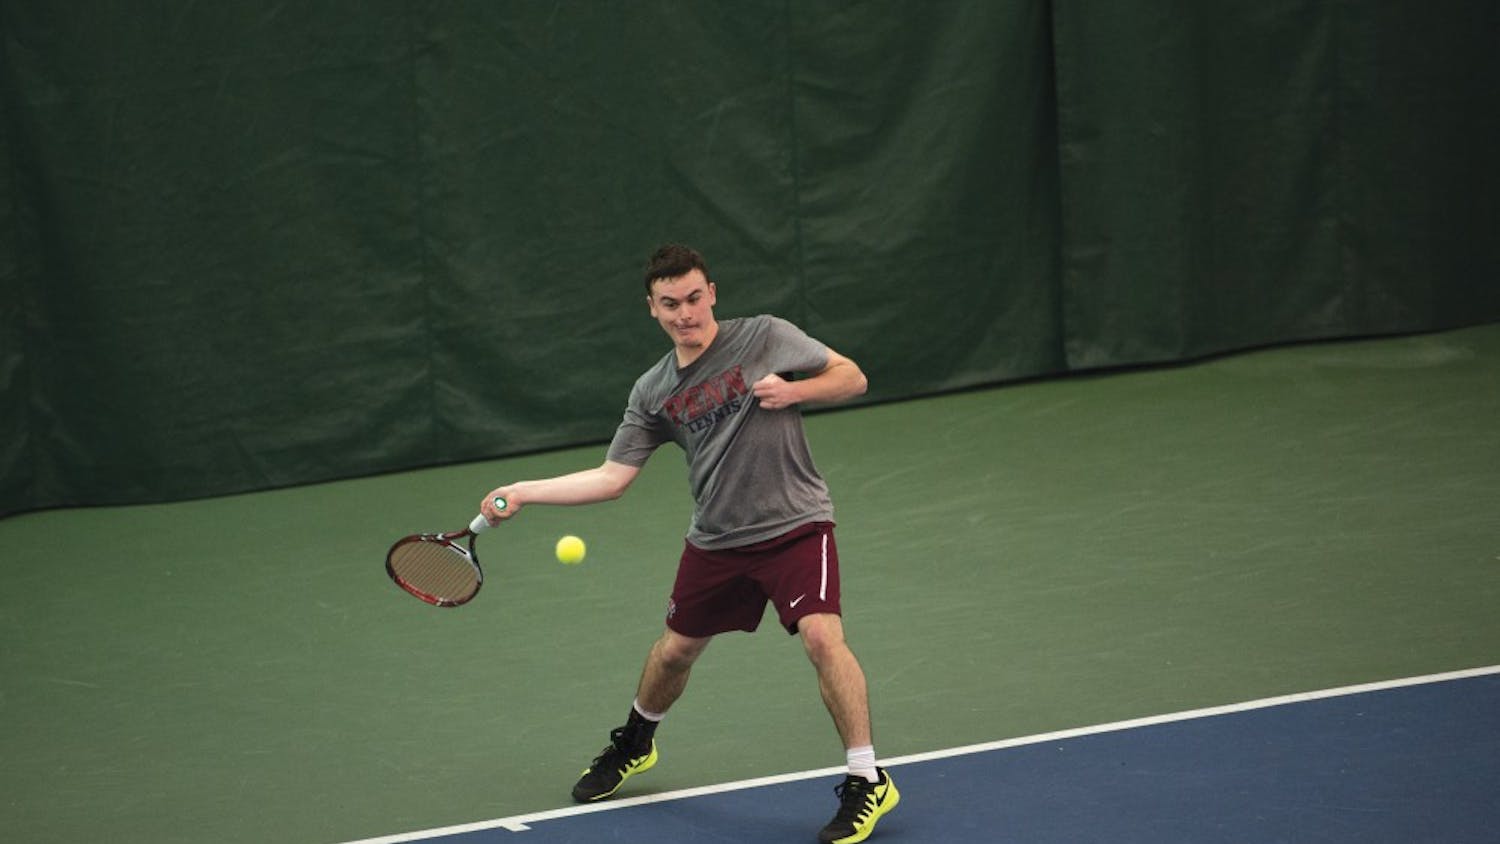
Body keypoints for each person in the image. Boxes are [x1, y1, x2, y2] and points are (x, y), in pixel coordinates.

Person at [480, 244, 898, 844]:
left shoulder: (765, 337)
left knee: (821, 636)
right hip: (718, 539)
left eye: (694, 298)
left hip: (797, 525)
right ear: (652, 309)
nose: (686, 313)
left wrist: (795, 393)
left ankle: (866, 777)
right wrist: (523, 490)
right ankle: (636, 740)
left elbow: (852, 376)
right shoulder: (652, 391)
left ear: (713, 294)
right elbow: (612, 478)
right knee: (674, 652)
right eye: (670, 304)